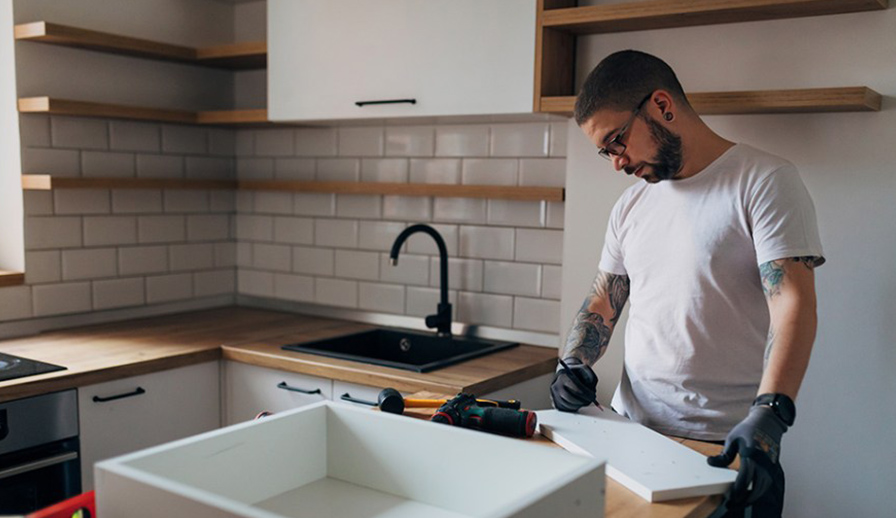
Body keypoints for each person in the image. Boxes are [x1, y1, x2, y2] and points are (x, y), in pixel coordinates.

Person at [550, 50, 824, 517]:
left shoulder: (764, 180)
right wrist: (574, 361)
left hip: (728, 447)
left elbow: (792, 302)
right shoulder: (631, 205)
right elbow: (605, 295)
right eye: (605, 151)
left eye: (617, 141)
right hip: (627, 434)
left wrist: (772, 414)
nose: (616, 163)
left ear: (661, 105)